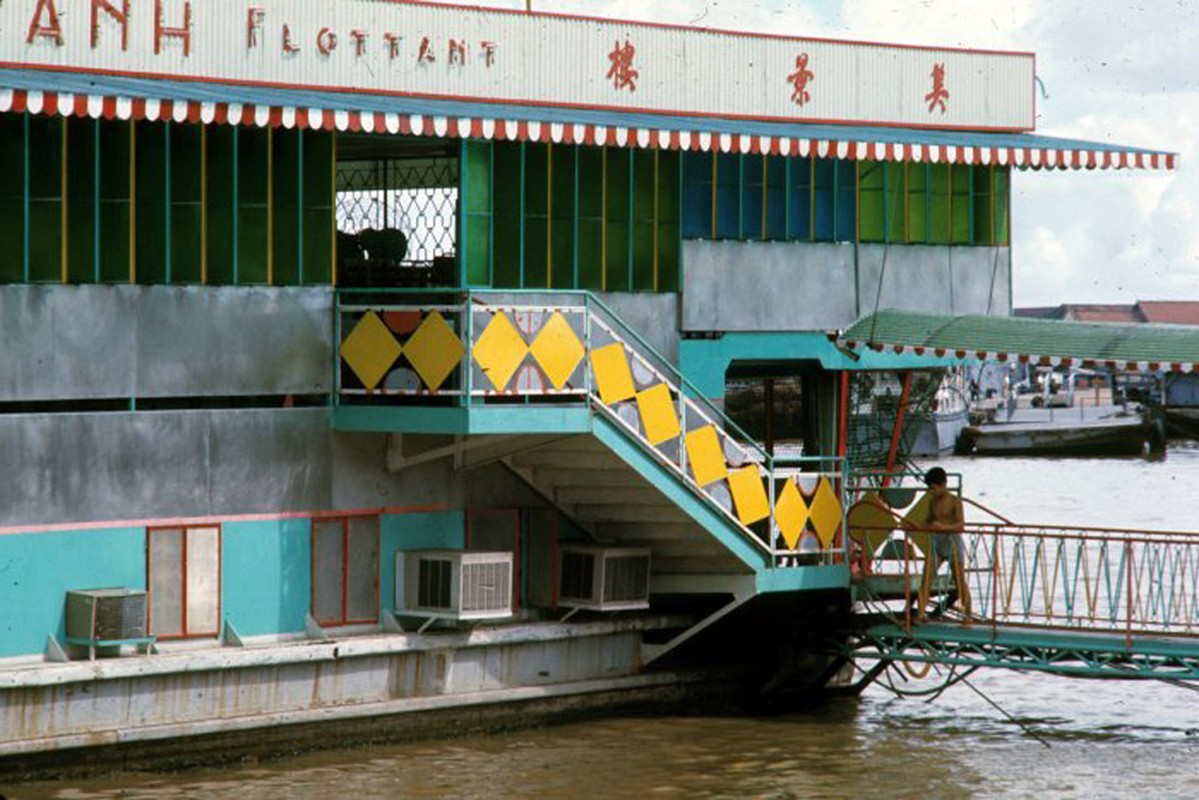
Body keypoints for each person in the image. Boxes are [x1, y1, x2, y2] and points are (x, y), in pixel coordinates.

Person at [915, 466, 972, 623]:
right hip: (937, 543)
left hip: (953, 542)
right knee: (926, 579)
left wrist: (943, 528)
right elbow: (928, 520)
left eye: (933, 488)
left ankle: (968, 615)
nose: (931, 491)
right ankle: (920, 614)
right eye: (929, 488)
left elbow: (961, 525)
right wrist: (918, 526)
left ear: (942, 485)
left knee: (960, 581)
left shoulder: (955, 501)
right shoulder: (932, 502)